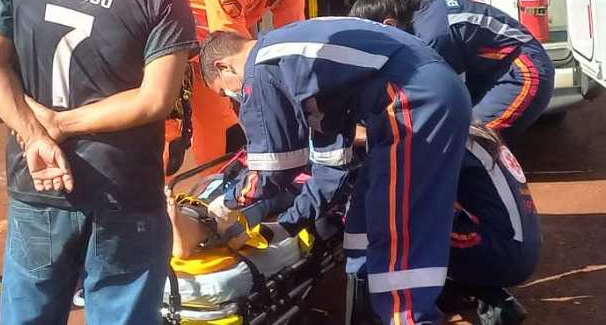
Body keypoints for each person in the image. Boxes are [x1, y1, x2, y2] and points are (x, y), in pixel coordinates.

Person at [0, 0, 197, 325]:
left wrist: (38, 135)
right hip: (122, 188)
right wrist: (60, 123)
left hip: (38, 180)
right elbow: (154, 99)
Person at [198, 18, 472, 324]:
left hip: (412, 98)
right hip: (424, 90)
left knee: (397, 225)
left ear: (224, 67)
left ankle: (407, 317)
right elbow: (331, 168)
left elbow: (273, 167)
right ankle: (367, 310)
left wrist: (228, 203)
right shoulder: (302, 65)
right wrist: (288, 225)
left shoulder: (263, 65)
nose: (236, 98)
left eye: (227, 92)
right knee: (365, 216)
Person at [173, 0, 342, 166]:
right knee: (172, 133)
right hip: (174, 40)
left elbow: (291, 38)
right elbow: (232, 52)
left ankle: (215, 190)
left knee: (223, 130)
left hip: (208, 43)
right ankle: (155, 201)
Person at [350, 0, 554, 141]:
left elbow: (438, 99)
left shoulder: (433, 36)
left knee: (467, 140)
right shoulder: (421, 12)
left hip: (522, 72)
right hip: (489, 71)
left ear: (389, 24)